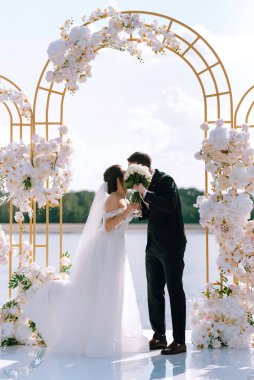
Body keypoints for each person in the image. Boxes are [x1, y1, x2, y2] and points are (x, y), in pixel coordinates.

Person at [22, 164, 149, 356]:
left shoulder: (123, 199)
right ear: (117, 181)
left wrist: (132, 210)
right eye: (124, 177)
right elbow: (108, 226)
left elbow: (121, 220)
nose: (127, 182)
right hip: (107, 248)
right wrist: (127, 212)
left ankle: (112, 335)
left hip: (117, 248)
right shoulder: (112, 199)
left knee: (114, 291)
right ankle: (52, 294)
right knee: (103, 291)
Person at [127, 152, 187, 355]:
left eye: (132, 169)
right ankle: (159, 337)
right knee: (154, 292)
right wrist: (139, 211)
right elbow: (150, 213)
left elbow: (169, 206)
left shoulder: (165, 180)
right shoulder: (142, 186)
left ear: (143, 168)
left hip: (172, 245)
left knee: (175, 291)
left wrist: (144, 193)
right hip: (153, 245)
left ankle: (179, 341)